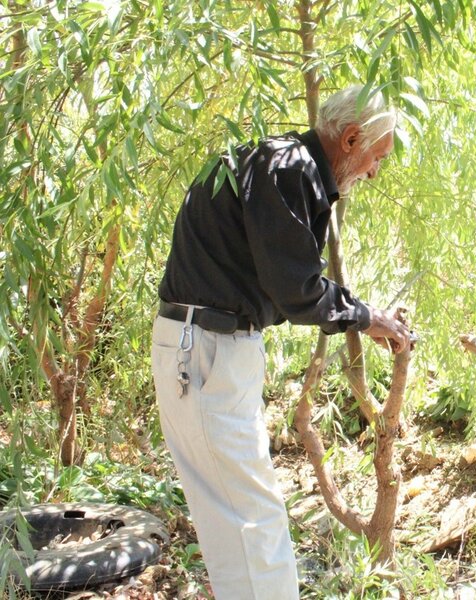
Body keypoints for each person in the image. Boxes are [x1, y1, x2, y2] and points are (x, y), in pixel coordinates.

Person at [150, 85, 411, 600]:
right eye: (375, 158)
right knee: (257, 524)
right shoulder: (286, 167)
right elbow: (295, 289)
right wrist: (367, 317)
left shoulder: (278, 163)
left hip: (202, 346)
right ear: (352, 138)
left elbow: (286, 279)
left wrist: (361, 315)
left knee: (234, 524)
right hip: (207, 350)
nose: (374, 172)